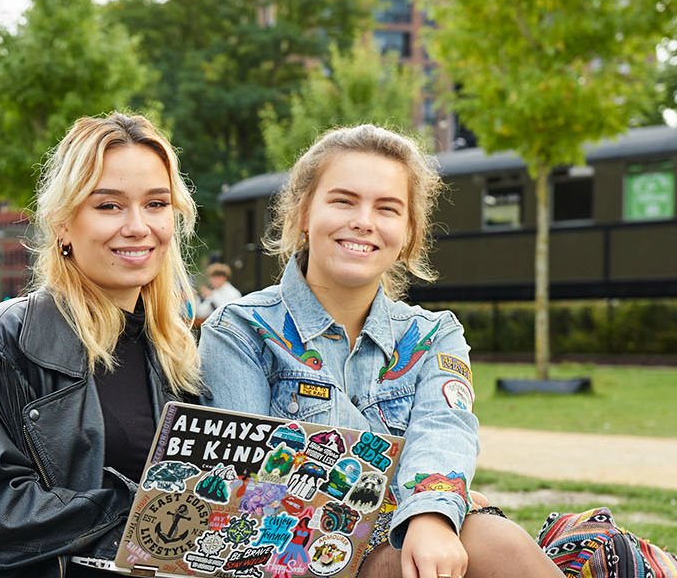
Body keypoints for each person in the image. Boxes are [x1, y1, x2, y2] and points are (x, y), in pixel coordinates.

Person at [197, 125, 559, 578]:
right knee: (487, 537)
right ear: (303, 213)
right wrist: (437, 499)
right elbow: (249, 491)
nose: (364, 221)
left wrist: (430, 515)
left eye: (387, 208)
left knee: (486, 541)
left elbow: (444, 428)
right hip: (288, 557)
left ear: (409, 233)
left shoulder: (434, 335)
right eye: (343, 201)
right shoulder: (240, 331)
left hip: (400, 539)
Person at [0, 113, 202, 578]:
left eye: (156, 204)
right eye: (108, 206)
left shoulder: (178, 353)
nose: (138, 226)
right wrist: (133, 508)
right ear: (63, 224)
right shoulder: (5, 341)